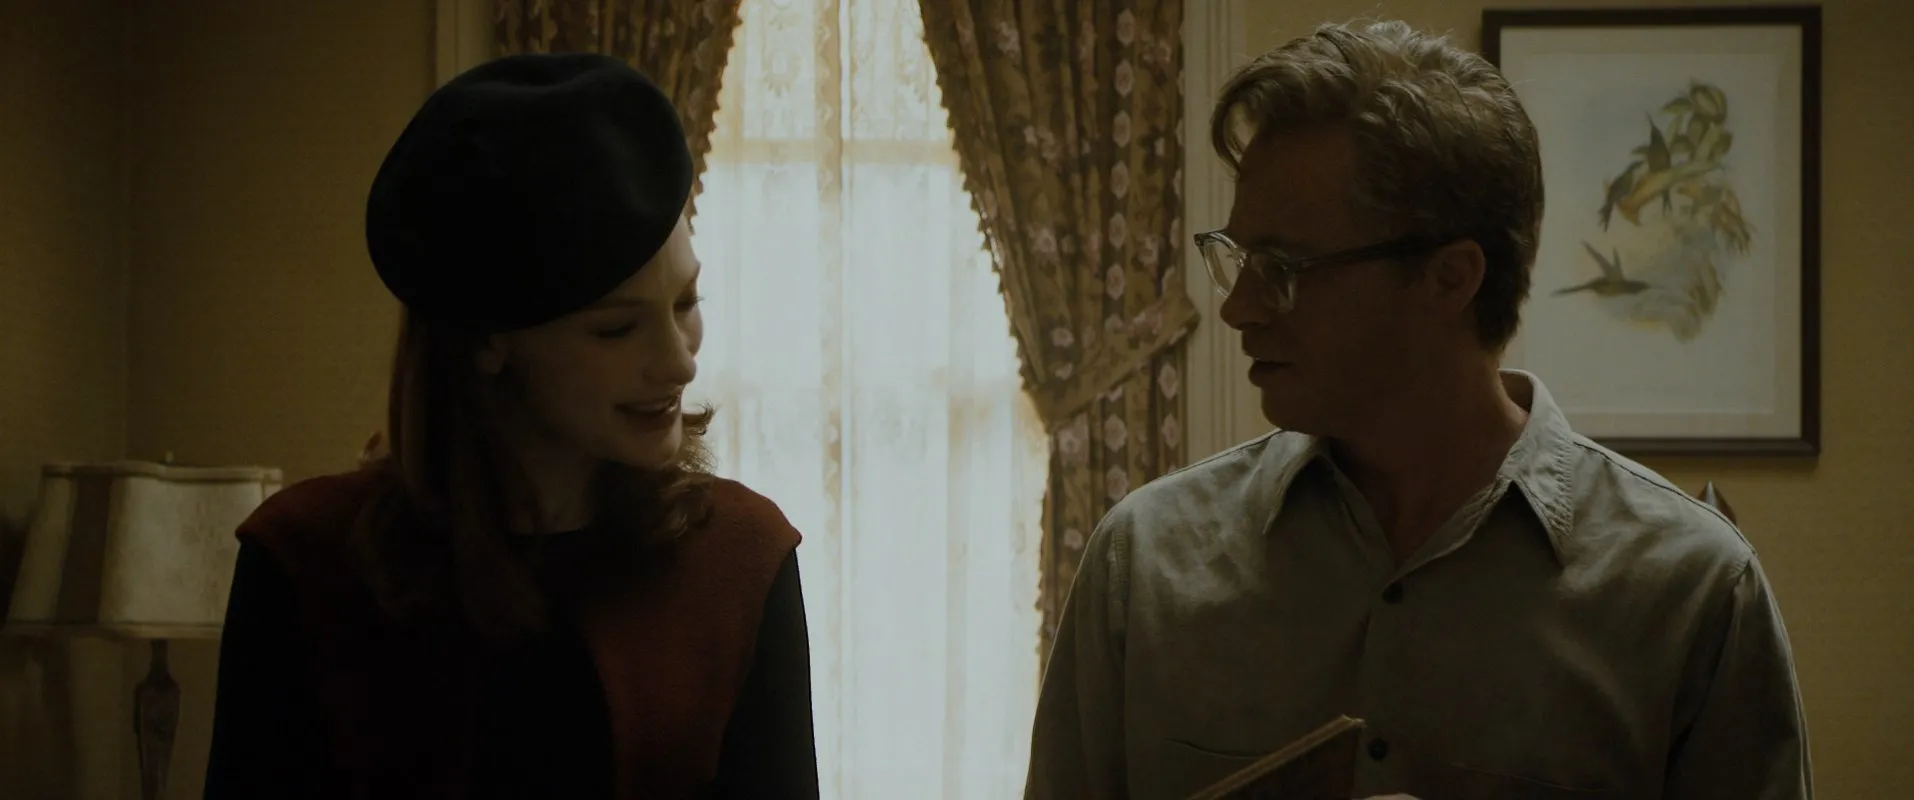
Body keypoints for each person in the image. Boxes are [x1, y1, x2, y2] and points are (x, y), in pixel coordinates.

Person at [1023, 19, 1811, 800]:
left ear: (1450, 278)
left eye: (1282, 267)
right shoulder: (1144, 565)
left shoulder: (1695, 592)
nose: (1238, 308)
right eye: (1237, 258)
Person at [203, 53, 819, 800]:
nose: (678, 361)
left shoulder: (741, 562)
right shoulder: (302, 562)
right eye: (616, 329)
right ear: (488, 341)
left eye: (686, 304)